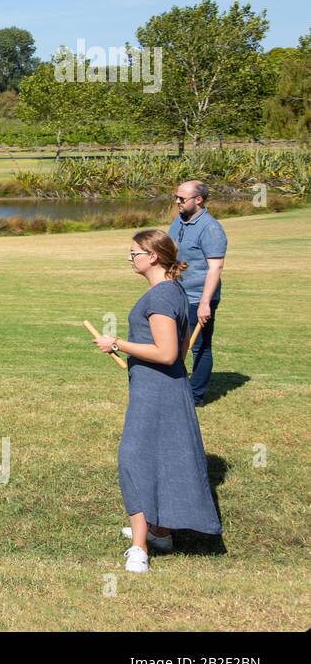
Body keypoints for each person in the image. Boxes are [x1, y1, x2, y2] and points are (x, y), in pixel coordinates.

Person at [91, 229, 222, 573]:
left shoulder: (162, 296)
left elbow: (166, 353)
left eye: (133, 253)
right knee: (160, 456)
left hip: (158, 391)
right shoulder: (174, 291)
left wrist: (117, 343)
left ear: (152, 256)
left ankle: (139, 549)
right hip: (166, 388)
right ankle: (160, 532)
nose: (129, 258)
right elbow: (179, 352)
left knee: (133, 459)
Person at [167, 180, 227, 404]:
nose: (177, 202)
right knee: (175, 342)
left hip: (199, 298)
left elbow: (215, 268)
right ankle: (177, 387)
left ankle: (196, 396)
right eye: (176, 197)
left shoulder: (211, 228)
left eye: (181, 199)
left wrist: (205, 303)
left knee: (199, 346)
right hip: (177, 294)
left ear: (198, 200)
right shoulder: (179, 221)